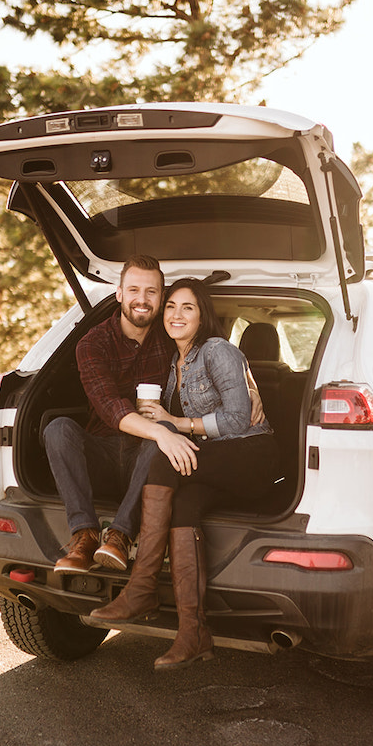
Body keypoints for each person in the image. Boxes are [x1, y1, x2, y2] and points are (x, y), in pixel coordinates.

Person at [90, 278, 278, 671]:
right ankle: (194, 633)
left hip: (251, 456)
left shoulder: (217, 350)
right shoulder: (172, 365)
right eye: (171, 306)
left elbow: (238, 418)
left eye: (187, 307)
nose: (176, 314)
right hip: (217, 459)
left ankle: (141, 586)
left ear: (202, 314)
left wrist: (176, 423)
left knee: (164, 456)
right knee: (185, 502)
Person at [45, 257, 262, 575]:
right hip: (104, 453)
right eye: (133, 289)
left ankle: (120, 536)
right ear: (119, 293)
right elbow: (110, 408)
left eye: (151, 292)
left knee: (161, 431)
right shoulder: (92, 343)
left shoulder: (170, 336)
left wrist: (250, 386)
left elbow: (213, 352)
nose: (142, 299)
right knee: (58, 428)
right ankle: (85, 537)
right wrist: (162, 431)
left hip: (150, 462)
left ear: (160, 299)